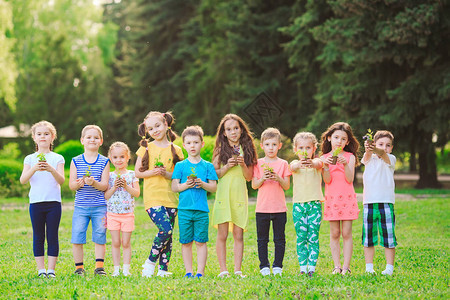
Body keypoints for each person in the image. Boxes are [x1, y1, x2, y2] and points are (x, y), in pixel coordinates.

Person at [135, 111, 184, 277]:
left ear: (165, 125)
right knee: (166, 230)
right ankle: (149, 262)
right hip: (153, 197)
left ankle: (163, 270)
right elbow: (137, 173)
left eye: (157, 126)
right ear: (147, 131)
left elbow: (178, 176)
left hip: (171, 198)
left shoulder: (176, 149)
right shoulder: (145, 148)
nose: (155, 130)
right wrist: (154, 172)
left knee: (169, 237)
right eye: (150, 128)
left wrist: (165, 174)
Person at [212, 114, 258, 278]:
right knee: (222, 234)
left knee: (238, 234)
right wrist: (226, 168)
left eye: (236, 128)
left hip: (239, 195)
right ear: (224, 133)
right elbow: (213, 174)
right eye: (229, 129)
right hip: (224, 196)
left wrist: (242, 163)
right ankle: (223, 270)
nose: (233, 132)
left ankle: (238, 270)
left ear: (241, 129)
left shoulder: (247, 148)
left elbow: (248, 176)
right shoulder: (220, 150)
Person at [20, 121, 65, 278]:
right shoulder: (30, 159)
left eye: (46, 134)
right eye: (39, 134)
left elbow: (61, 181)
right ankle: (41, 270)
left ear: (52, 137)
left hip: (54, 204)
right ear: (34, 138)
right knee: (38, 236)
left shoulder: (57, 158)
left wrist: (50, 169)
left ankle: (51, 270)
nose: (43, 136)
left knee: (52, 235)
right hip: (36, 203)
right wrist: (34, 168)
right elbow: (23, 180)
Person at [171, 126, 218, 278]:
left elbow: (213, 187)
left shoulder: (207, 166)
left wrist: (202, 184)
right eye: (189, 143)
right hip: (184, 210)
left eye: (196, 142)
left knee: (200, 241)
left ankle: (200, 272)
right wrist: (186, 185)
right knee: (186, 242)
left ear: (202, 144)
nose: (192, 146)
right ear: (184, 145)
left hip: (201, 210)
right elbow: (174, 187)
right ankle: (188, 271)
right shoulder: (180, 166)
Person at [69, 125, 110, 276]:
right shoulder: (76, 161)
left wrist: (95, 183)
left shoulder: (104, 161)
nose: (92, 139)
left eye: (96, 137)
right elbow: (71, 185)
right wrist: (79, 183)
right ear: (82, 140)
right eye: (88, 137)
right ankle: (79, 268)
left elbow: (105, 185)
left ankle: (99, 267)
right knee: (77, 235)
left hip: (100, 206)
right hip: (81, 207)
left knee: (100, 235)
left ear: (101, 141)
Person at [320, 122, 360, 275]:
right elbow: (327, 180)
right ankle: (336, 266)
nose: (339, 141)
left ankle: (346, 267)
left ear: (347, 142)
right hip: (332, 199)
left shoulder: (349, 157)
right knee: (335, 233)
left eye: (343, 139)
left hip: (347, 199)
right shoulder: (324, 158)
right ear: (329, 138)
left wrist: (344, 165)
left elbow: (350, 179)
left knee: (347, 233)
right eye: (336, 137)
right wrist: (325, 166)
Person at [251, 128, 291, 276]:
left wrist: (277, 178)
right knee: (262, 239)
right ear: (262, 146)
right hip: (262, 209)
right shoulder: (258, 163)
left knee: (279, 239)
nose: (271, 148)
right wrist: (263, 178)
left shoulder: (283, 164)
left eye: (274, 144)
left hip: (279, 208)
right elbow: (254, 185)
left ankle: (278, 266)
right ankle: (264, 266)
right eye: (267, 144)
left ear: (279, 145)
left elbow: (286, 186)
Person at [361, 130, 397, 276]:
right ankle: (369, 267)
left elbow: (383, 154)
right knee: (368, 238)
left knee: (388, 237)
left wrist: (375, 148)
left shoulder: (391, 159)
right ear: (374, 144)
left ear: (391, 148)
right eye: (381, 144)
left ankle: (389, 268)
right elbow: (367, 156)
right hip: (369, 203)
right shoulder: (369, 159)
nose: (385, 147)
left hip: (386, 203)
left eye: (388, 145)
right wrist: (369, 148)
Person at [290, 132, 324, 277]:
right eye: (301, 148)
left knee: (313, 236)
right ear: (295, 149)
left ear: (314, 148)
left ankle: (312, 267)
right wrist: (300, 163)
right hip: (299, 206)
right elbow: (293, 167)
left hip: (314, 205)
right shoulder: (294, 164)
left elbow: (319, 163)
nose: (305, 151)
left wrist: (312, 162)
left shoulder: (317, 164)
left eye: (308, 148)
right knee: (301, 237)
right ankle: (303, 266)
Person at [105, 142, 140, 276]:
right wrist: (114, 187)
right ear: (110, 158)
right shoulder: (109, 175)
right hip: (112, 214)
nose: (118, 160)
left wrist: (126, 186)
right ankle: (116, 270)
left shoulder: (132, 174)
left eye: (121, 157)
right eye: (115, 157)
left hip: (127, 215)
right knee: (115, 242)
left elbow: (136, 193)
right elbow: (106, 196)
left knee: (125, 243)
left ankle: (126, 270)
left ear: (127, 157)